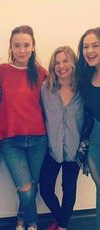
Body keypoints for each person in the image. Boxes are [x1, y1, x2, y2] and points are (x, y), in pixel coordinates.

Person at [0, 25, 48, 230]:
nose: (22, 50)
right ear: (11, 47)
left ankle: (21, 218)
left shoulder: (41, 73)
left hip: (38, 140)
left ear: (33, 46)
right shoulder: (2, 71)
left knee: (31, 187)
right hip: (10, 140)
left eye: (26, 45)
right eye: (17, 45)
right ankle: (33, 223)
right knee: (26, 190)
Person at [39, 46, 83, 230]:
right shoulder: (46, 88)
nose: (61, 66)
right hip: (52, 149)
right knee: (46, 190)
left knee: (69, 190)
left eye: (65, 61)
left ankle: (62, 227)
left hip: (75, 151)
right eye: (57, 62)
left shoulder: (83, 88)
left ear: (73, 63)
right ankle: (61, 219)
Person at [77, 27, 100, 230]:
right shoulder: (87, 77)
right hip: (95, 140)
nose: (89, 50)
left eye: (95, 45)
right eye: (85, 46)